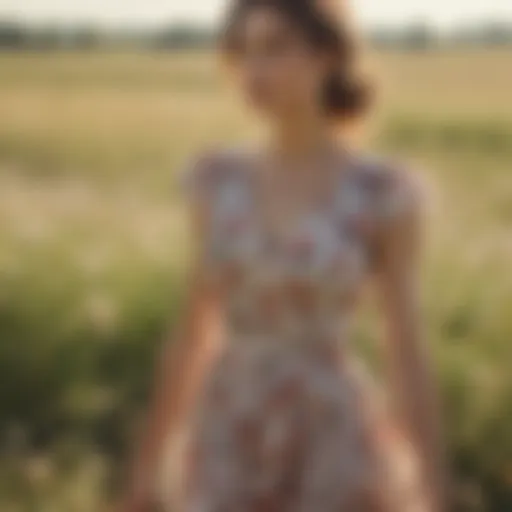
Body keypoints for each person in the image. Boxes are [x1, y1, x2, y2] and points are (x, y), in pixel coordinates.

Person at [120, 0, 446, 510]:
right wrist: (146, 469)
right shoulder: (216, 181)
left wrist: (432, 482)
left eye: (274, 48)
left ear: (327, 56)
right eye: (243, 51)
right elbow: (192, 331)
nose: (253, 70)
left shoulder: (382, 192)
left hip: (330, 432)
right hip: (229, 425)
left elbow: (404, 346)